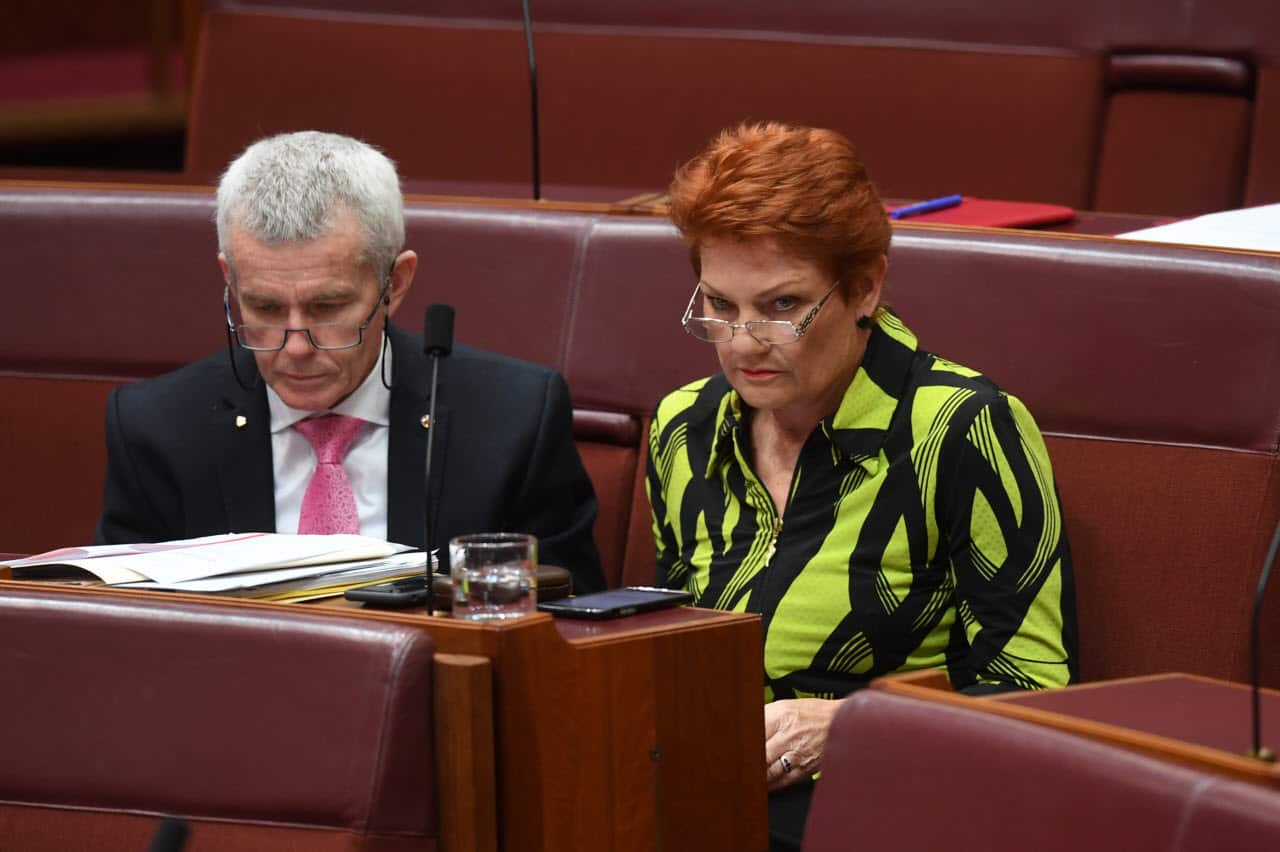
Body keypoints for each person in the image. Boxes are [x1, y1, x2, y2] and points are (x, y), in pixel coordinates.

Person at [646, 122, 1078, 849]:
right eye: (719, 306)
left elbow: (1033, 687)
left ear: (865, 287)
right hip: (701, 781)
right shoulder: (684, 426)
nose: (744, 342)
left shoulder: (961, 427)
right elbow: (668, 642)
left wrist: (848, 724)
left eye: (782, 306)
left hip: (881, 795)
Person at [95, 130, 604, 593]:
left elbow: (570, 624)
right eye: (265, 308)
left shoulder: (511, 421)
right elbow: (124, 631)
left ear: (395, 284)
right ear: (230, 282)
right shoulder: (157, 431)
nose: (295, 346)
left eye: (327, 308)